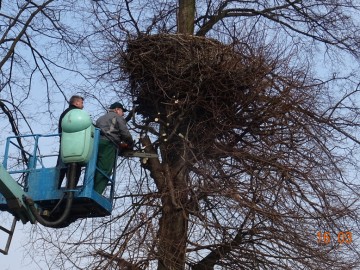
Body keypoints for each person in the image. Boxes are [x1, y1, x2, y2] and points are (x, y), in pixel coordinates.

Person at [94, 102, 133, 194]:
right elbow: (125, 134)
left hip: (96, 143)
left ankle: (90, 188)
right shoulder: (117, 117)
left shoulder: (100, 118)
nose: (123, 114)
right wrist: (130, 143)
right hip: (109, 144)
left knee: (95, 167)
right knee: (106, 170)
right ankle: (96, 192)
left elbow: (108, 130)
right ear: (117, 109)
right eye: (122, 111)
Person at [57, 95, 84, 188]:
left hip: (64, 144)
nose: (83, 105)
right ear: (76, 103)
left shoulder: (64, 113)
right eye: (81, 103)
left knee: (61, 169)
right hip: (74, 146)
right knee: (75, 169)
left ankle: (56, 187)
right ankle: (70, 190)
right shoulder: (76, 113)